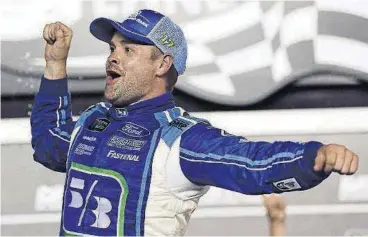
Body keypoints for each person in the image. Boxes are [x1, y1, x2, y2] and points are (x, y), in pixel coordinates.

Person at [30, 9, 359, 236]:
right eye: (113, 47)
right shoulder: (93, 120)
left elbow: (251, 162)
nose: (113, 56)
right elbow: (49, 145)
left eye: (128, 50)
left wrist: (314, 157)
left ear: (163, 65)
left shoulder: (180, 139)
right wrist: (55, 65)